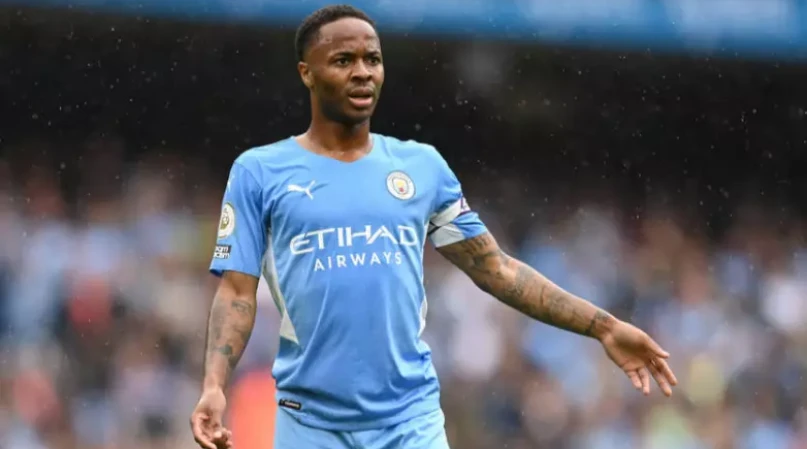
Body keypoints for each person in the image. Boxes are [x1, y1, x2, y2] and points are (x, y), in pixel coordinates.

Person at [189, 4, 678, 449]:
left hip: (409, 422)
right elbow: (236, 292)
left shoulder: (421, 167)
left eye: (373, 59)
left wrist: (604, 327)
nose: (362, 72)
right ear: (307, 73)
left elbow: (497, 270)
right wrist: (214, 385)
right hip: (310, 423)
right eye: (343, 60)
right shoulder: (259, 172)